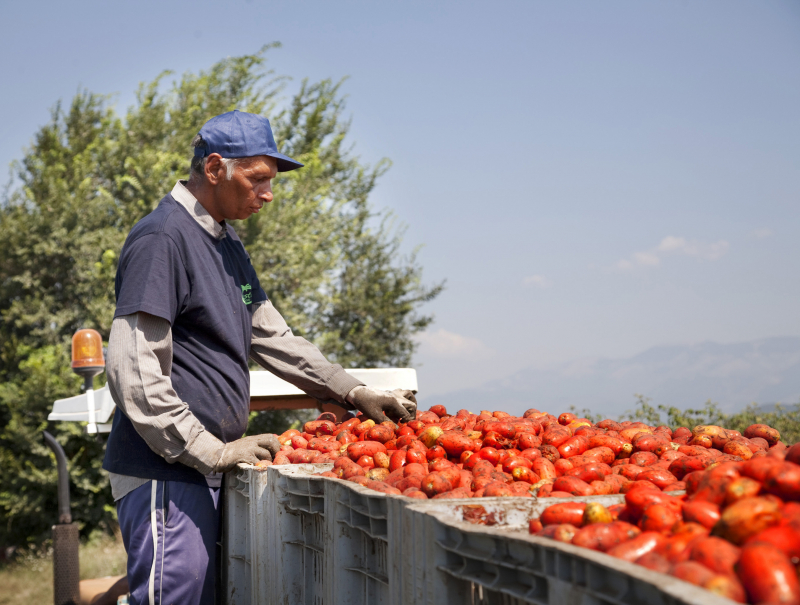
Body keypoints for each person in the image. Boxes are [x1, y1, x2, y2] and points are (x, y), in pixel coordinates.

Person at [102, 110, 417, 605]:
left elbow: (273, 338)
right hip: (166, 469)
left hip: (202, 466)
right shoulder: (163, 238)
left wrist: (350, 390)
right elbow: (133, 370)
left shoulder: (226, 246)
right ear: (213, 169)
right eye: (258, 179)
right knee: (174, 597)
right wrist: (212, 451)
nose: (268, 194)